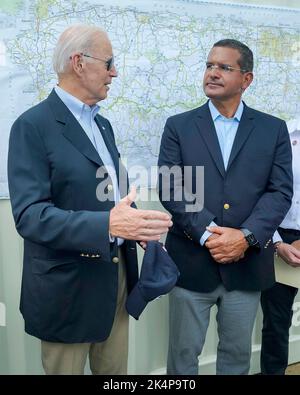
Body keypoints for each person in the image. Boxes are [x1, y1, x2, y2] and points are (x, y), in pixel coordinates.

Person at [7, 24, 172, 375]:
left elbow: (111, 195)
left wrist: (137, 225)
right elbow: (30, 217)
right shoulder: (32, 126)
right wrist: (109, 225)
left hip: (116, 282)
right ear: (79, 63)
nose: (115, 72)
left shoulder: (104, 126)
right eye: (109, 62)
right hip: (67, 290)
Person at [158, 38, 293, 375]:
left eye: (223, 67)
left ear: (246, 79)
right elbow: (172, 186)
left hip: (246, 267)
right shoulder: (179, 126)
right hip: (191, 264)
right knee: (182, 358)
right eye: (209, 65)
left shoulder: (272, 129)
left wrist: (245, 237)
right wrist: (211, 235)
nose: (212, 73)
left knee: (236, 358)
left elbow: (279, 192)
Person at [260, 117, 300, 375]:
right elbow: (261, 191)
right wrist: (276, 242)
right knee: (276, 322)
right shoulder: (280, 133)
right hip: (280, 236)